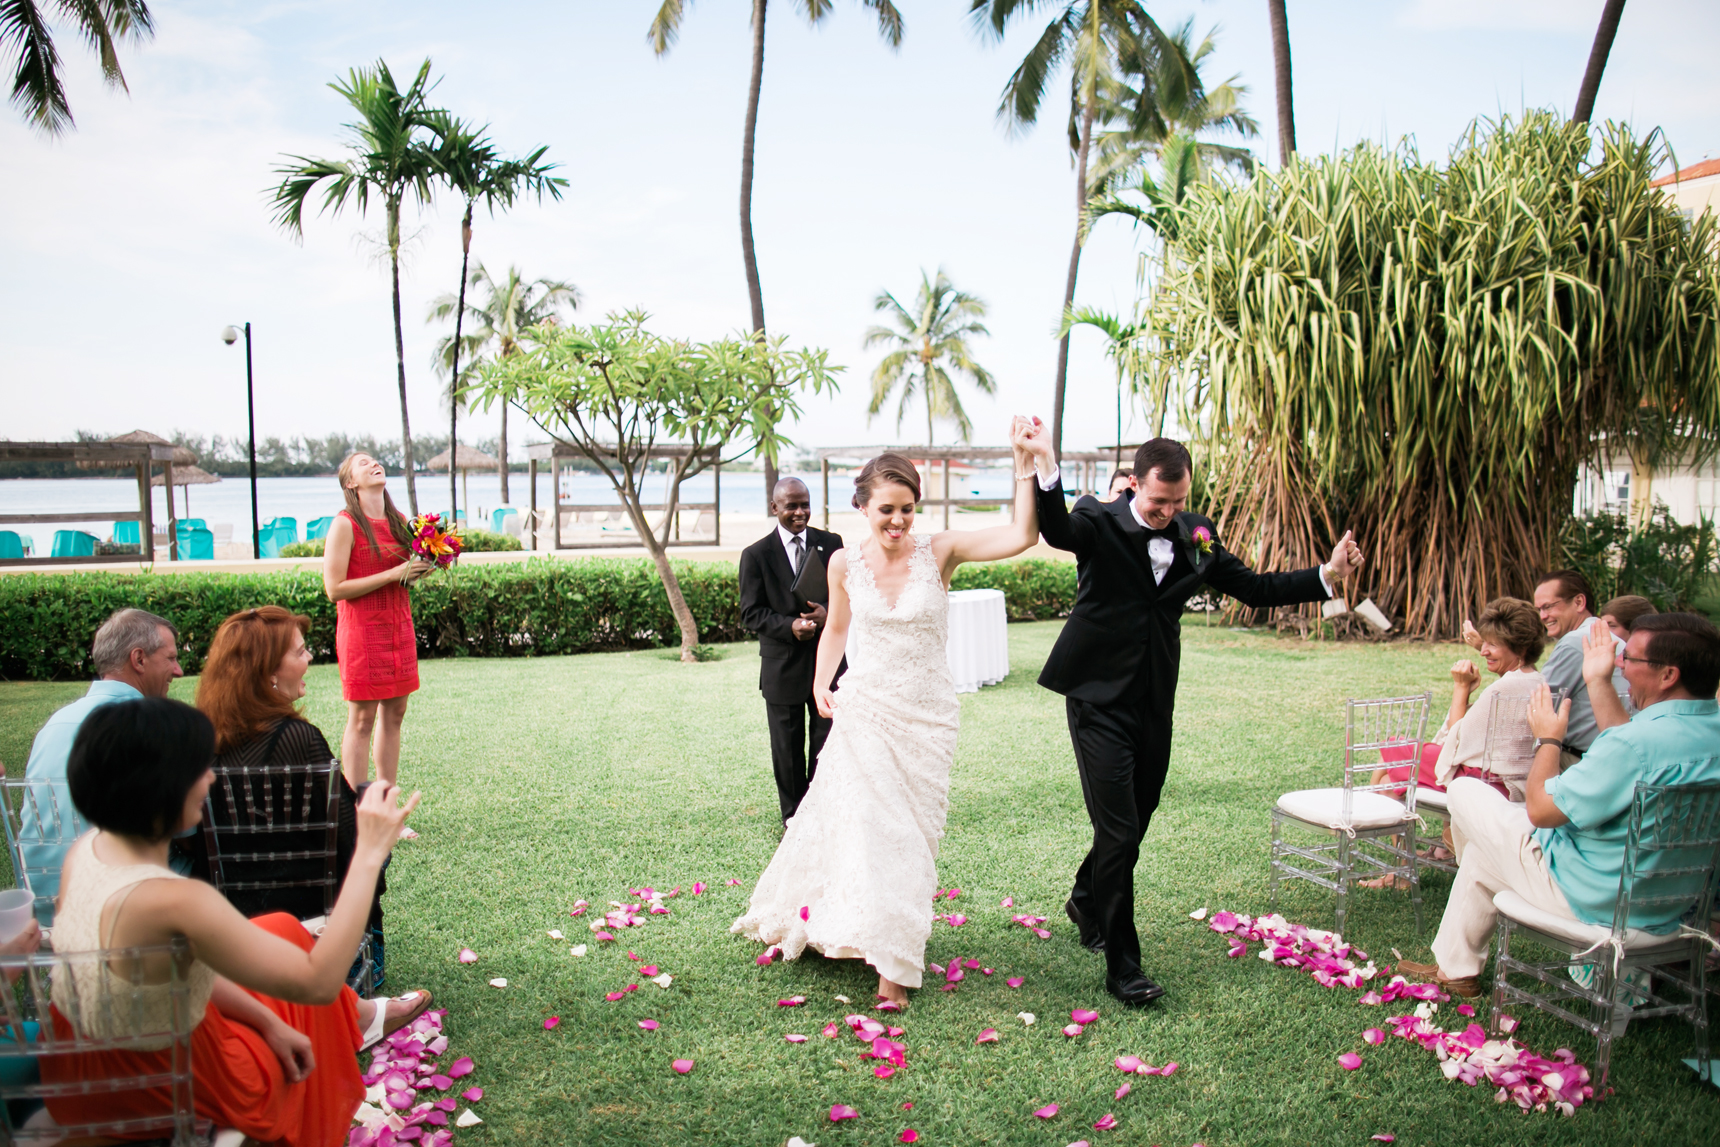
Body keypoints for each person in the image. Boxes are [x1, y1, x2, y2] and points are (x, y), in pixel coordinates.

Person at [1024, 428, 1364, 1005]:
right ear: (1134, 483)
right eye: (1158, 502)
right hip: (1097, 698)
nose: (1168, 513)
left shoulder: (1195, 533)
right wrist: (1047, 467)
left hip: (1155, 699)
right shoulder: (1097, 518)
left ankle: (1086, 897)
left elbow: (1254, 588)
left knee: (1139, 813)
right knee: (1119, 830)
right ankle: (1122, 968)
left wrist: (1326, 575)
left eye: (1178, 502)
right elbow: (1057, 530)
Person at [733, 426, 1044, 1006]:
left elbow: (1023, 534)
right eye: (886, 510)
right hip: (867, 709)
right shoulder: (844, 563)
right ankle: (890, 970)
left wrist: (1025, 464)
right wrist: (822, 679)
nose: (898, 521)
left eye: (907, 509)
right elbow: (839, 628)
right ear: (862, 507)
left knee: (911, 836)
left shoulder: (941, 551)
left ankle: (872, 932)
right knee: (873, 827)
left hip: (926, 717)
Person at [40, 697, 430, 1145]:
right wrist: (369, 852)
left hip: (76, 1062)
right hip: (149, 1082)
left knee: (284, 927)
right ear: (163, 787)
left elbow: (165, 971)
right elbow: (319, 981)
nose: (211, 777)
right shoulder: (171, 901)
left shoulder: (88, 849)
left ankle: (356, 1020)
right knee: (309, 995)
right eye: (199, 768)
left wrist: (269, 1023)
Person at [1399, 613, 1720, 997]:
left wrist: (1549, 741)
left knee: (1466, 791)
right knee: (1484, 856)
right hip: (1670, 901)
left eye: (1629, 659)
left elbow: (1542, 811)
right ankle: (1455, 970)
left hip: (1590, 895)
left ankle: (1467, 945)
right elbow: (1633, 744)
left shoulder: (1633, 746)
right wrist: (1597, 680)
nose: (1621, 664)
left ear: (1668, 675)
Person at [176, 606, 389, 986]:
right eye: (300, 651)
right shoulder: (300, 740)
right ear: (269, 671)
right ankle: (367, 958)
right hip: (309, 913)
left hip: (228, 917)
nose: (309, 658)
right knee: (376, 842)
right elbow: (349, 839)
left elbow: (192, 844)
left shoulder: (196, 742)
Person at [1362, 598, 1545, 885]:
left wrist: (1461, 689)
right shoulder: (1538, 681)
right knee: (1389, 776)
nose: (1483, 650)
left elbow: (1455, 744)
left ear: (1519, 648)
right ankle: (1396, 865)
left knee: (1396, 750)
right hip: (1508, 781)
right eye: (1484, 642)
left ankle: (1379, 835)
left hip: (1481, 781)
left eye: (1492, 645)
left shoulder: (1503, 689)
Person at [18, 609, 183, 921]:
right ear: (139, 659)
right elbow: (186, 833)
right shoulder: (150, 726)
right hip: (116, 910)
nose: (178, 670)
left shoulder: (55, 723)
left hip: (45, 906)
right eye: (171, 658)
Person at [322, 453, 432, 805]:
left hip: (398, 627)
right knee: (362, 719)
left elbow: (401, 579)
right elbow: (334, 588)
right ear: (350, 483)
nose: (374, 464)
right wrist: (392, 574)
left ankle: (384, 807)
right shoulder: (345, 524)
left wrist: (421, 569)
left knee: (395, 713)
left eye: (375, 460)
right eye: (363, 463)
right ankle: (356, 814)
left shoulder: (399, 520)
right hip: (361, 633)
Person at [738, 477, 845, 823]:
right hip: (781, 666)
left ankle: (823, 812)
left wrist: (828, 612)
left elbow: (849, 593)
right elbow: (749, 613)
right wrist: (789, 627)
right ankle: (793, 819)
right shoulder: (755, 555)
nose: (800, 513)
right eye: (791, 506)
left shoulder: (832, 544)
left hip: (827, 663)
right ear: (774, 508)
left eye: (805, 504)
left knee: (826, 743)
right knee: (786, 748)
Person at [1527, 570, 1630, 761]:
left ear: (1579, 602)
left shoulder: (1576, 641)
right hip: (1616, 754)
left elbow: (1533, 703)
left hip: (1585, 759)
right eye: (1539, 609)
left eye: (1548, 607)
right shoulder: (1607, 636)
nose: (1542, 616)